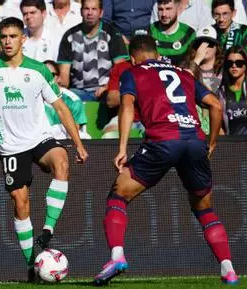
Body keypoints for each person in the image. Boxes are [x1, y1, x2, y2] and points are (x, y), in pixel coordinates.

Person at [93, 35, 238, 286]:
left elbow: (126, 106)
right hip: (194, 140)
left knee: (118, 195)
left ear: (132, 57)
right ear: (157, 52)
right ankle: (229, 269)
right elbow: (215, 105)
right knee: (204, 209)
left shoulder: (133, 71)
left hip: (162, 140)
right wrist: (212, 142)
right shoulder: (183, 74)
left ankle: (117, 256)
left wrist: (122, 148)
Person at [0, 17, 89, 282]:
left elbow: (60, 107)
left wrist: (78, 143)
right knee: (20, 202)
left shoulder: (38, 70)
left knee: (62, 160)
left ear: (23, 39)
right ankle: (32, 265)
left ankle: (46, 231)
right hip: (11, 146)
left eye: (13, 36)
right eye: (3, 37)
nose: (8, 41)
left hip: (39, 139)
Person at [57, 0, 129, 101]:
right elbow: (64, 78)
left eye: (94, 9)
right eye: (86, 9)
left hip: (106, 90)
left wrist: (107, 87)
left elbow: (121, 68)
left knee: (115, 95)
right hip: (78, 92)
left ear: (101, 13)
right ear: (81, 11)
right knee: (61, 97)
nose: (90, 13)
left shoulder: (112, 34)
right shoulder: (69, 36)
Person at [181, 26, 223, 134]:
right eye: (200, 44)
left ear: (217, 47)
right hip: (196, 124)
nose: (204, 48)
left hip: (222, 122)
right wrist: (197, 60)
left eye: (209, 44)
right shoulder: (185, 67)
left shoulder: (225, 68)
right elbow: (183, 87)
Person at [217, 46, 247, 135]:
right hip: (232, 143)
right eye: (230, 63)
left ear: (246, 64)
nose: (234, 66)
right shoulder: (221, 91)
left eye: (239, 63)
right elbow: (219, 122)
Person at [44, 60, 91, 139]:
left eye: (51, 75)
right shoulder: (32, 100)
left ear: (58, 77)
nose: (47, 78)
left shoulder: (73, 100)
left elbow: (73, 132)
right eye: (43, 74)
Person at [149, 0, 196, 66]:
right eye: (160, 9)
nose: (164, 14)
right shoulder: (150, 32)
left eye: (168, 9)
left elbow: (192, 65)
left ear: (178, 10)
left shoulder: (188, 33)